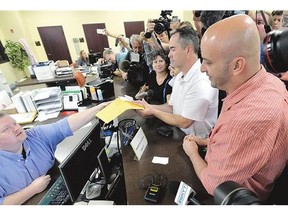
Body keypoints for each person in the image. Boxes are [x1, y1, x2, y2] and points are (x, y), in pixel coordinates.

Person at [182, 14, 288, 201]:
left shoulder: (245, 121)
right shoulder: (270, 81)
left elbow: (214, 184)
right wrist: (210, 142)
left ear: (237, 65)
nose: (202, 69)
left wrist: (191, 152)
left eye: (208, 62)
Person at [0, 102, 110, 205]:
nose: (16, 128)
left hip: (57, 193)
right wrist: (31, 190)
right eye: (6, 130)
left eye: (15, 123)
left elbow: (64, 125)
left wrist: (98, 108)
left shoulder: (35, 136)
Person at [136, 27, 219, 138]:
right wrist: (148, 106)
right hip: (181, 136)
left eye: (173, 49)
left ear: (188, 50)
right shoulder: (180, 76)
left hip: (199, 144)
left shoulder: (201, 81)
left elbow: (185, 121)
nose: (169, 55)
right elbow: (172, 107)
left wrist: (153, 111)